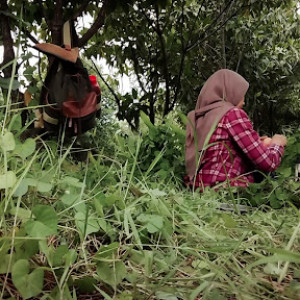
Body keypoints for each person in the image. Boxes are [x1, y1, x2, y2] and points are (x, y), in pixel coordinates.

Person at [185, 69, 287, 190]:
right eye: (241, 94)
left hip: (199, 190)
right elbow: (268, 162)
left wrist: (257, 142)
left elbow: (220, 149)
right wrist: (277, 144)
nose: (243, 101)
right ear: (230, 91)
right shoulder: (232, 113)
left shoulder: (201, 117)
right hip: (227, 191)